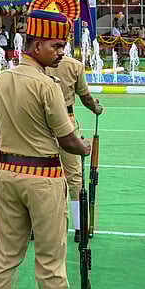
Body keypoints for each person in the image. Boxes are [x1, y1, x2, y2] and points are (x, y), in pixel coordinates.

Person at [0, 0, 93, 289]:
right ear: (35, 45)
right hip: (43, 178)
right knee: (50, 264)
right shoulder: (48, 86)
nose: (61, 52)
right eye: (56, 46)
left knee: (4, 260)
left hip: (8, 175)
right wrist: (83, 148)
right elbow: (66, 138)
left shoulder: (3, 79)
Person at [46, 34, 104, 243]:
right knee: (74, 176)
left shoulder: (35, 67)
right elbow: (85, 96)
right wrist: (96, 108)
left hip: (39, 123)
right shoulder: (74, 65)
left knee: (40, 174)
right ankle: (80, 228)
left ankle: (38, 226)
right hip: (67, 121)